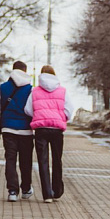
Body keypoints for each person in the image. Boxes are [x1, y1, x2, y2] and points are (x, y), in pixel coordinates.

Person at [25, 65, 73, 203]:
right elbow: (69, 110)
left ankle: (47, 195)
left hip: (41, 129)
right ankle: (57, 190)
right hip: (57, 129)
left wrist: (40, 115)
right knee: (57, 160)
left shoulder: (34, 91)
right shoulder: (63, 91)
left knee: (43, 161)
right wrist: (60, 117)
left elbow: (28, 110)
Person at [0, 61, 34, 202]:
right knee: (25, 161)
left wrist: (5, 116)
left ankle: (12, 191)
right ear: (25, 70)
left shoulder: (2, 87)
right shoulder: (30, 89)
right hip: (26, 130)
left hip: (8, 129)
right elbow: (31, 110)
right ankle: (26, 189)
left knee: (10, 159)